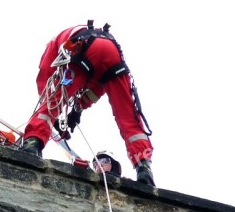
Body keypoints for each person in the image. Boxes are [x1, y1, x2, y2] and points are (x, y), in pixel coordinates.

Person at [20, 21, 155, 186]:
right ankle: (144, 167)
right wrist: (77, 110)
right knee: (129, 119)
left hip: (84, 49)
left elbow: (46, 77)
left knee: (50, 105)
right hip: (113, 54)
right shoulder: (89, 39)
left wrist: (53, 114)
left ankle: (32, 144)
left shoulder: (54, 45)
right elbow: (97, 87)